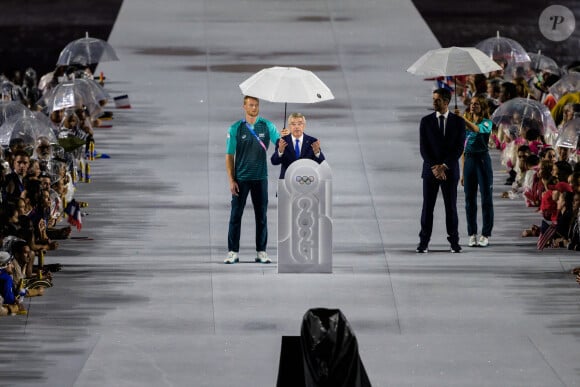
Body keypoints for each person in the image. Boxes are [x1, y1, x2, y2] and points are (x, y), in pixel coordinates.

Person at [224, 96, 281, 264]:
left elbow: (281, 145)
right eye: (251, 105)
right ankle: (233, 252)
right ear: (244, 106)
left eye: (256, 105)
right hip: (241, 178)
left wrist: (284, 139)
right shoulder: (236, 128)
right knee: (236, 215)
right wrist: (231, 179)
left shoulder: (267, 126)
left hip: (260, 178)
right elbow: (229, 156)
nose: (254, 108)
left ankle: (261, 252)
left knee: (261, 216)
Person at [417, 88, 466, 253]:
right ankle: (423, 242)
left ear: (446, 101)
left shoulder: (459, 122)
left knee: (450, 207)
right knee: (427, 208)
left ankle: (454, 242)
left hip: (450, 171)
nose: (433, 102)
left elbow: (459, 148)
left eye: (437, 100)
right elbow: (424, 148)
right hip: (430, 171)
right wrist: (435, 167)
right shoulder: (426, 121)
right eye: (433, 99)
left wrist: (444, 166)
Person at [460, 95, 494, 247]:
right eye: (472, 104)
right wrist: (462, 171)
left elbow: (476, 129)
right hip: (469, 161)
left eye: (477, 104)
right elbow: (463, 148)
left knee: (486, 198)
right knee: (469, 199)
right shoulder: (466, 122)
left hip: (482, 161)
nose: (473, 106)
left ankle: (485, 234)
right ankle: (472, 233)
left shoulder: (487, 122)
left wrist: (462, 119)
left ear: (483, 107)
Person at [271, 113, 325, 179]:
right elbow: (274, 161)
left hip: (307, 181)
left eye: (299, 124)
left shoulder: (312, 141)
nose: (296, 127)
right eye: (293, 124)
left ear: (304, 126)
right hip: (286, 181)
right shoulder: (282, 141)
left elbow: (321, 162)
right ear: (289, 126)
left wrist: (317, 152)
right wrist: (280, 151)